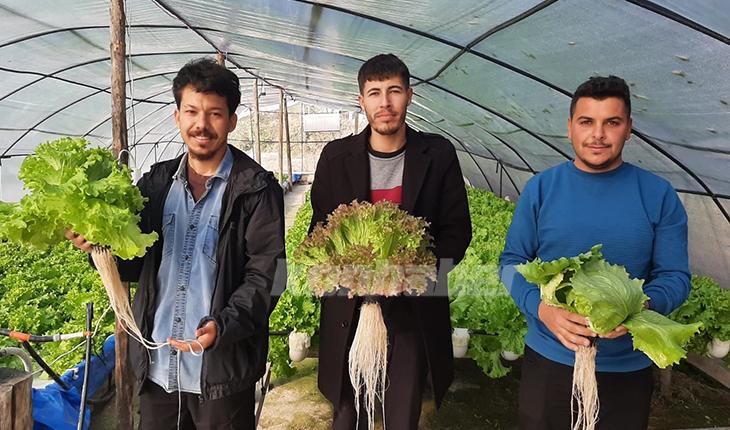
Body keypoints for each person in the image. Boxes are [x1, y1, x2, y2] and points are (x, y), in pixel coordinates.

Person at [67, 57, 286, 429]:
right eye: (192, 112)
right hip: (158, 368)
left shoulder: (257, 189)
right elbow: (134, 264)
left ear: (232, 121)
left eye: (215, 114)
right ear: (177, 117)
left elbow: (272, 276)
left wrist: (225, 326)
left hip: (221, 371)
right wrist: (99, 248)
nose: (202, 124)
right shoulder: (155, 184)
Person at [499, 75, 690, 429]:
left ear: (629, 129)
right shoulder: (541, 189)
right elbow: (511, 264)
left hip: (626, 370)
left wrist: (641, 308)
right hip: (550, 360)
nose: (598, 134)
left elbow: (675, 276)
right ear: (570, 127)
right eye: (586, 122)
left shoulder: (658, 195)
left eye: (612, 122)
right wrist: (542, 309)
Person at [309, 53, 472, 430]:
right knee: (349, 414)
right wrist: (349, 275)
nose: (385, 102)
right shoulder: (335, 157)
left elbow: (457, 231)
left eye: (394, 91)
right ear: (361, 100)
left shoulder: (438, 154)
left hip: (412, 311)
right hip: (350, 312)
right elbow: (320, 230)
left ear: (409, 95)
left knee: (403, 413)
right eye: (375, 93)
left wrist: (411, 272)